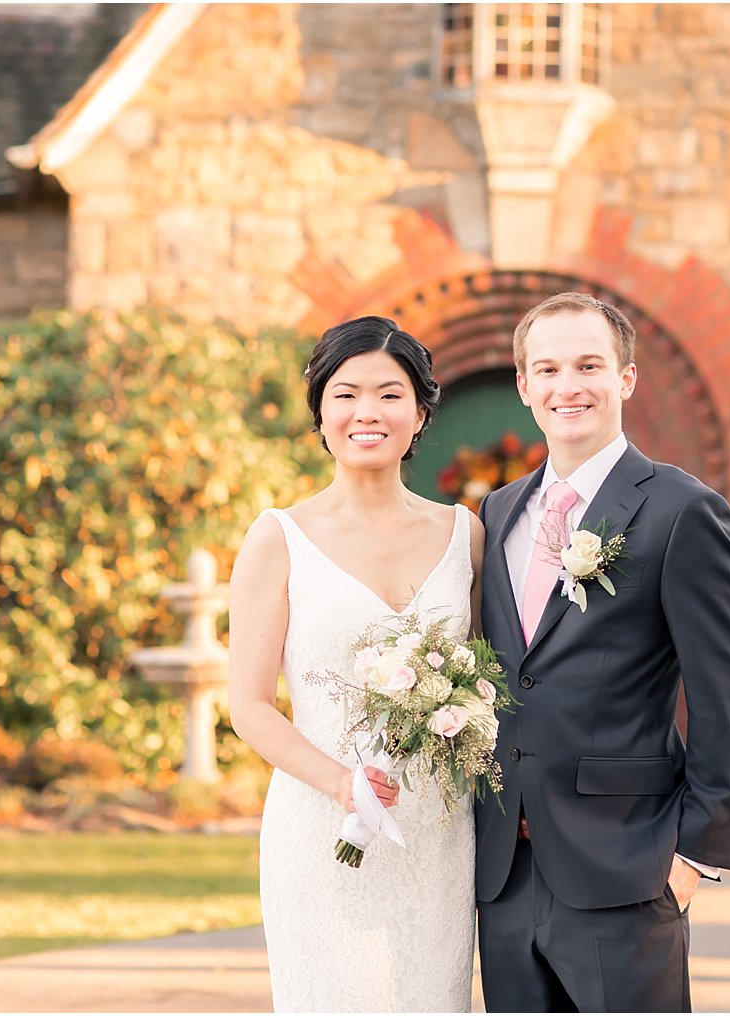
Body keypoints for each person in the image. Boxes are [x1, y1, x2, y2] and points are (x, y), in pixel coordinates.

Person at [474, 293, 730, 1012]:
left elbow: (727, 693)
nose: (567, 386)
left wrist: (696, 853)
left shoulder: (681, 510)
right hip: (507, 869)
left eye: (588, 365)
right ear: (525, 386)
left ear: (624, 380)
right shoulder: (497, 511)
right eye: (548, 368)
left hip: (625, 867)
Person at [228, 316, 484, 1012]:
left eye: (389, 394)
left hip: (436, 830)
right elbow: (248, 704)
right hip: (322, 827)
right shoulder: (278, 537)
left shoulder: (465, 533)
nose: (366, 412)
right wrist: (340, 782)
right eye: (345, 394)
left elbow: (492, 679)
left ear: (421, 410)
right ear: (320, 413)